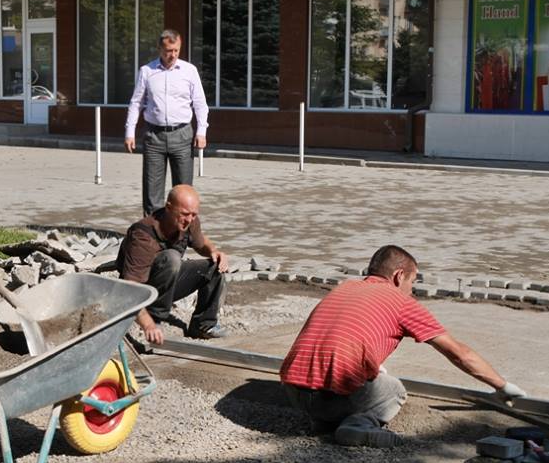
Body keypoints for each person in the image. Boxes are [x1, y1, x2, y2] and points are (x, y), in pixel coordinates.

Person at [280, 245, 525, 448]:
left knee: (358, 379)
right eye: (413, 281)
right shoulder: (400, 302)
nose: (412, 289)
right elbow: (458, 353)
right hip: (335, 397)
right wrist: (502, 385)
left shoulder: (345, 287)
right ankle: (357, 427)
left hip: (294, 393)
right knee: (393, 390)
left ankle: (324, 421)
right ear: (399, 276)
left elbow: (339, 337)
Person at [117, 184, 228, 344]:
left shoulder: (189, 221)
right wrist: (148, 325)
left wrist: (214, 251)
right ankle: (155, 318)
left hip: (166, 285)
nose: (189, 220)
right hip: (141, 292)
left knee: (214, 266)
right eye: (184, 214)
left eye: (193, 215)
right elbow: (129, 288)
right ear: (168, 208)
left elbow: (201, 242)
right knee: (172, 258)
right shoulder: (143, 237)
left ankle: (203, 325)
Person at [125, 29, 209, 215]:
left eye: (176, 51)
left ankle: (181, 238)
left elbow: (200, 104)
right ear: (159, 49)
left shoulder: (189, 71)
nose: (172, 55)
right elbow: (136, 102)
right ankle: (152, 236)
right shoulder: (147, 71)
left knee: (184, 192)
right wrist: (130, 132)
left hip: (182, 135)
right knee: (152, 192)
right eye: (168, 51)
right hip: (154, 136)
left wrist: (201, 131)